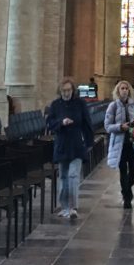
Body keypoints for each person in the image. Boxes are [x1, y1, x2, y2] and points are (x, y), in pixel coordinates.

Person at [46, 77, 94, 221]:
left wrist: (89, 141)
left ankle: (73, 207)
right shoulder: (55, 105)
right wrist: (61, 122)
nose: (66, 93)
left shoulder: (80, 104)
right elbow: (50, 123)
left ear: (73, 90)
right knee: (64, 176)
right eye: (63, 90)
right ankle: (64, 206)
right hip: (61, 144)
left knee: (73, 176)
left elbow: (87, 123)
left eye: (68, 90)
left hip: (77, 144)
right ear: (60, 91)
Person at [104, 79, 134, 209]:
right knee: (123, 171)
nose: (124, 91)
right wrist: (120, 127)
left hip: (132, 143)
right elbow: (107, 126)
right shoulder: (113, 106)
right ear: (118, 91)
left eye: (126, 88)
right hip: (120, 145)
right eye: (122, 88)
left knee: (133, 171)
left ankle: (127, 188)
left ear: (129, 91)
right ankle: (126, 197)